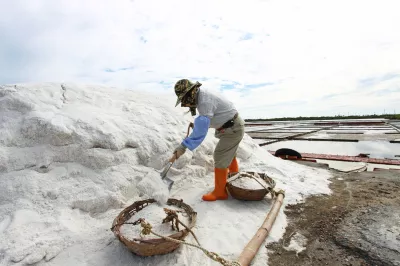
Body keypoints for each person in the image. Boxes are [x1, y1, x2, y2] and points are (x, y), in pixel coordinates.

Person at [169, 79, 245, 201]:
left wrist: (182, 147)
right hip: (231, 126)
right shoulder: (202, 95)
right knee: (228, 153)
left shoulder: (204, 102)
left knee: (220, 156)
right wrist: (201, 125)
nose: (185, 102)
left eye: (184, 98)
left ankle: (220, 192)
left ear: (190, 93)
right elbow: (214, 115)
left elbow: (200, 132)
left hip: (232, 129)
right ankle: (234, 177)